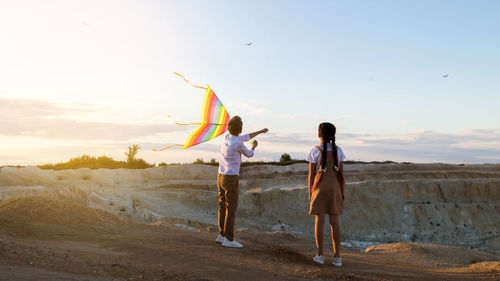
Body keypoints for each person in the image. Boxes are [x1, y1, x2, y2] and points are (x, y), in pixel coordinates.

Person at [216, 116, 268, 248]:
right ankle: (229, 239)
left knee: (222, 206)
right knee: (231, 208)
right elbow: (249, 154)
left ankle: (221, 235)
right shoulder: (237, 143)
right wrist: (254, 146)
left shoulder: (227, 137)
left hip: (220, 175)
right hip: (231, 177)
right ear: (240, 129)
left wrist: (260, 131)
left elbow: (245, 136)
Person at [306, 122, 346, 266]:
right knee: (335, 223)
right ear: (333, 135)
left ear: (319, 134)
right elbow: (341, 175)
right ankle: (337, 257)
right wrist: (342, 191)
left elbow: (311, 175)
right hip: (335, 188)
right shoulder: (339, 150)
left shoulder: (315, 150)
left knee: (320, 222)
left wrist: (310, 192)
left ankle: (320, 255)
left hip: (319, 189)